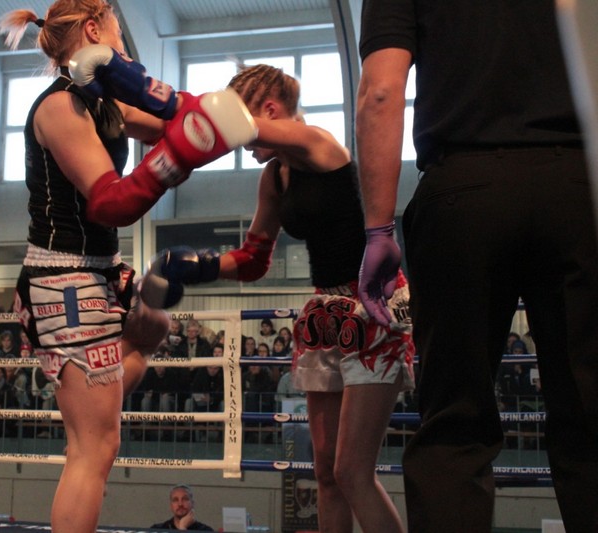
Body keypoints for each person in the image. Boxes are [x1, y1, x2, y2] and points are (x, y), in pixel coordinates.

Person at [0, 2, 254, 530]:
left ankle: (92, 409)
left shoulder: (104, 99)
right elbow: (111, 202)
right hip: (64, 276)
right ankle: (88, 423)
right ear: (94, 30)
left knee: (152, 326)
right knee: (95, 449)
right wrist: (179, 154)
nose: (125, 47)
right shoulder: (59, 108)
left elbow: (177, 125)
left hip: (102, 267)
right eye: (118, 34)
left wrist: (227, 113)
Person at [139, 64, 415, 533]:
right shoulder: (275, 177)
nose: (245, 149)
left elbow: (235, 127)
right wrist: (199, 266)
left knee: (352, 471)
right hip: (325, 311)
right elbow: (254, 259)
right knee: (325, 473)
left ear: (269, 110)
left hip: (373, 304)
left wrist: (160, 102)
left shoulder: (319, 144)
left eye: (247, 128)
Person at [356, 2, 598, 531]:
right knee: (590, 410)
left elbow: (380, 92)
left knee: (454, 424)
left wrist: (378, 229)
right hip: (578, 187)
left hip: (462, 192)